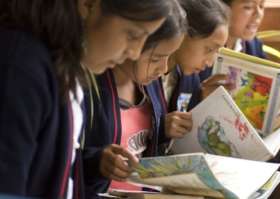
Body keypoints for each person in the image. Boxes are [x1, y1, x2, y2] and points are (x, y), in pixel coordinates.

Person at [0, 0, 169, 198]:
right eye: (132, 35)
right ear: (88, 5)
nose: (135, 52)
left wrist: (94, 161)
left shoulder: (61, 68)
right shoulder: (20, 68)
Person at [83, 2, 186, 196]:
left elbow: (143, 144)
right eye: (155, 59)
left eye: (169, 57)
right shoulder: (90, 87)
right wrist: (96, 161)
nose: (163, 69)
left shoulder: (149, 84)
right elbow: (62, 159)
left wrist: (163, 129)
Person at [162, 0, 230, 144]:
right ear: (183, 33)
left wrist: (203, 102)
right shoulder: (147, 75)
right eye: (209, 49)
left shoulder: (191, 80)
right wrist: (159, 129)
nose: (210, 62)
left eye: (216, 52)